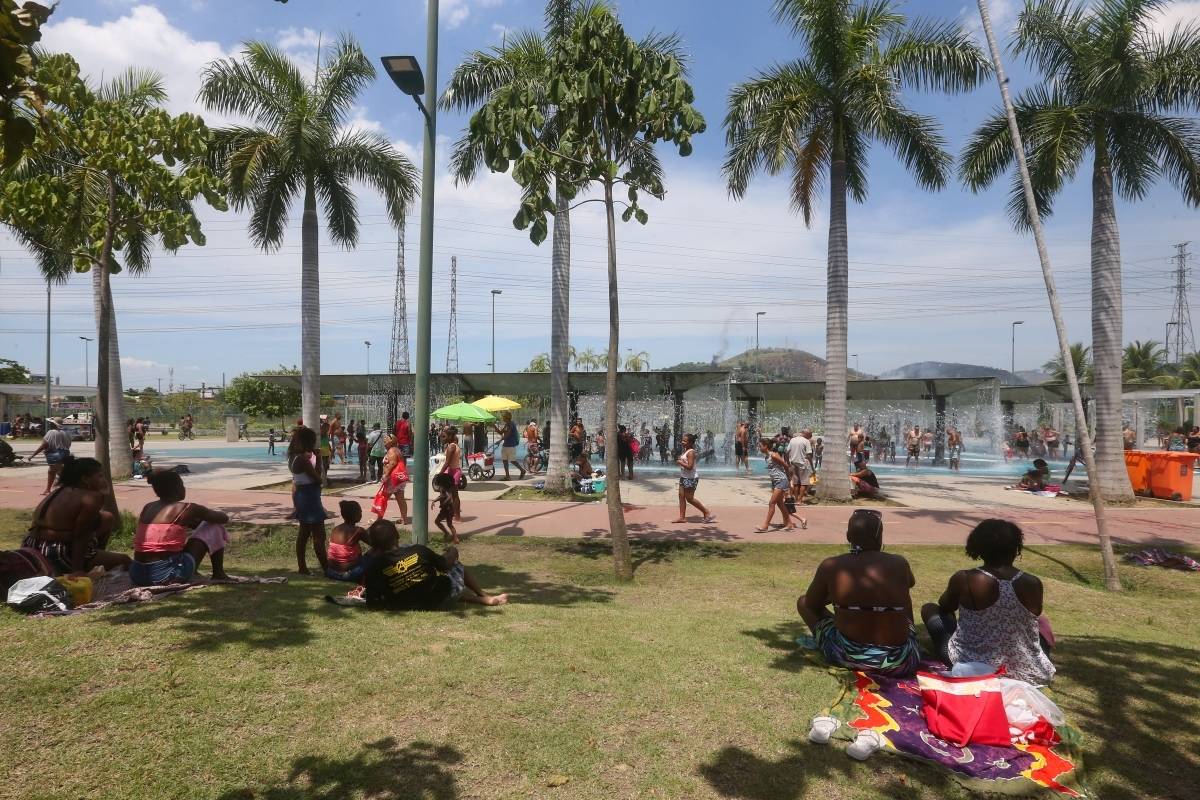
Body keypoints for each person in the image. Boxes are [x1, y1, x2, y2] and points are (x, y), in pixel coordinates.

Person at [921, 519, 1055, 686]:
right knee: (1041, 620)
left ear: (979, 547)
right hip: (1028, 671)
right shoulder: (1033, 582)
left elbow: (945, 605)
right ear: (1016, 549)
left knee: (929, 609)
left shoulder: (964, 579)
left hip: (972, 666)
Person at [797, 509, 920, 677]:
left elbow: (811, 604)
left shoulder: (832, 565)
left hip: (850, 657)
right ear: (880, 537)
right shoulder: (899, 563)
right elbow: (909, 583)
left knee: (802, 602)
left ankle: (850, 637)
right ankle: (910, 638)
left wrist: (836, 596)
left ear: (848, 537)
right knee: (903, 600)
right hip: (901, 660)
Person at [362, 519, 507, 608]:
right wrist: (453, 551)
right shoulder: (419, 551)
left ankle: (476, 599)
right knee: (455, 565)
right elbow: (444, 565)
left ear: (374, 544)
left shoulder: (373, 567)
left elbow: (373, 604)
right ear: (397, 535)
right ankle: (483, 595)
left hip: (404, 604)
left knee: (425, 584)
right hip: (440, 599)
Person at [23, 457, 130, 575]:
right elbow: (81, 535)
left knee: (107, 518)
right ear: (85, 479)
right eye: (100, 476)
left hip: (31, 543)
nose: (104, 480)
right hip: (55, 551)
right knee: (125, 561)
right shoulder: (91, 498)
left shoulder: (60, 490)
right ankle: (86, 564)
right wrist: (77, 570)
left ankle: (93, 556)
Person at [131, 470, 230, 585]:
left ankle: (192, 570)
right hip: (166, 576)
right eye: (182, 485)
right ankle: (219, 574)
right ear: (177, 487)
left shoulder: (148, 507)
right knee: (214, 526)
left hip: (137, 575)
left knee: (174, 547)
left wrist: (192, 522)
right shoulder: (188, 508)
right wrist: (202, 519)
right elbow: (223, 518)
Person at [288, 426, 329, 575]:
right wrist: (318, 459)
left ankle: (302, 567)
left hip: (302, 495)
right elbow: (317, 478)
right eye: (312, 441)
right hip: (310, 496)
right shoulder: (303, 460)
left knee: (304, 533)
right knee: (319, 535)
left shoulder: (293, 456)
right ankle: (327, 569)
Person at [755, 438, 803, 532]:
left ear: (765, 446)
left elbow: (785, 465)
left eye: (760, 446)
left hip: (781, 481)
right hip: (776, 482)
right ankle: (789, 524)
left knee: (771, 503)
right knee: (780, 503)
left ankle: (765, 526)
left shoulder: (773, 455)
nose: (759, 447)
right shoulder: (767, 457)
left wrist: (790, 480)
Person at [671, 433, 715, 524]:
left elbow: (690, 467)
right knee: (681, 496)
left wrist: (679, 462)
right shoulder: (686, 450)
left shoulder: (691, 452)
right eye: (682, 440)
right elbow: (685, 462)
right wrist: (680, 459)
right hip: (684, 477)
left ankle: (706, 512)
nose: (682, 442)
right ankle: (682, 517)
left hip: (691, 478)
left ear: (690, 443)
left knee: (689, 498)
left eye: (685, 441)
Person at [326, 500, 369, 581]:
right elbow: (375, 543)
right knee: (372, 555)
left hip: (330, 572)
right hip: (348, 574)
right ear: (355, 515)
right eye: (360, 512)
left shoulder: (336, 529)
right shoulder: (358, 531)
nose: (361, 514)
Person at [29, 421, 73, 495]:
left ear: (54, 425)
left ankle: (71, 489)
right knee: (51, 471)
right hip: (65, 453)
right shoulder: (67, 433)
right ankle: (48, 489)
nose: (49, 424)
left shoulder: (51, 432)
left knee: (61, 473)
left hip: (54, 454)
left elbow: (44, 444)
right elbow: (69, 445)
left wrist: (33, 455)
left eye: (51, 423)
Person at [377, 434, 409, 524]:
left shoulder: (391, 451)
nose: (384, 441)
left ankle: (379, 519)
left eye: (386, 440)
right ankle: (404, 519)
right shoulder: (397, 450)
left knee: (383, 498)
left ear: (391, 442)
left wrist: (385, 476)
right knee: (401, 499)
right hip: (399, 479)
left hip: (392, 479)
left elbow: (392, 463)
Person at [437, 426, 463, 521]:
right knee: (445, 492)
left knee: (454, 494)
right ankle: (448, 512)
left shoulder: (452, 446)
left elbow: (447, 463)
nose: (441, 439)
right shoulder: (452, 444)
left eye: (444, 437)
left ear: (450, 436)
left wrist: (440, 474)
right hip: (452, 471)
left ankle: (457, 517)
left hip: (454, 472)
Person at [787, 428, 817, 506]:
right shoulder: (806, 441)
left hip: (793, 463)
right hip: (803, 464)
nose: (810, 437)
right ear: (806, 434)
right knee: (804, 483)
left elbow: (787, 452)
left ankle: (796, 500)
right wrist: (812, 466)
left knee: (796, 483)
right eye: (810, 435)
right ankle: (800, 501)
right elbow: (809, 455)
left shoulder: (793, 440)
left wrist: (788, 463)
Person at [494, 411, 527, 480]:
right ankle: (507, 476)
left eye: (503, 417)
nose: (502, 418)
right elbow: (501, 432)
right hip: (506, 445)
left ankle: (522, 470)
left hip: (510, 445)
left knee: (512, 460)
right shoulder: (507, 424)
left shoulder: (511, 424)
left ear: (506, 417)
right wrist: (494, 425)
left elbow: (507, 435)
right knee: (504, 460)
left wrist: (499, 441)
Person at [431, 473, 458, 543]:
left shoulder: (444, 488)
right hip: (447, 509)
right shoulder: (445, 488)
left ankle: (453, 537)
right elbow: (441, 496)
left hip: (447, 509)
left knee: (440, 522)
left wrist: (444, 503)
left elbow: (449, 497)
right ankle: (451, 536)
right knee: (448, 524)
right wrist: (434, 500)